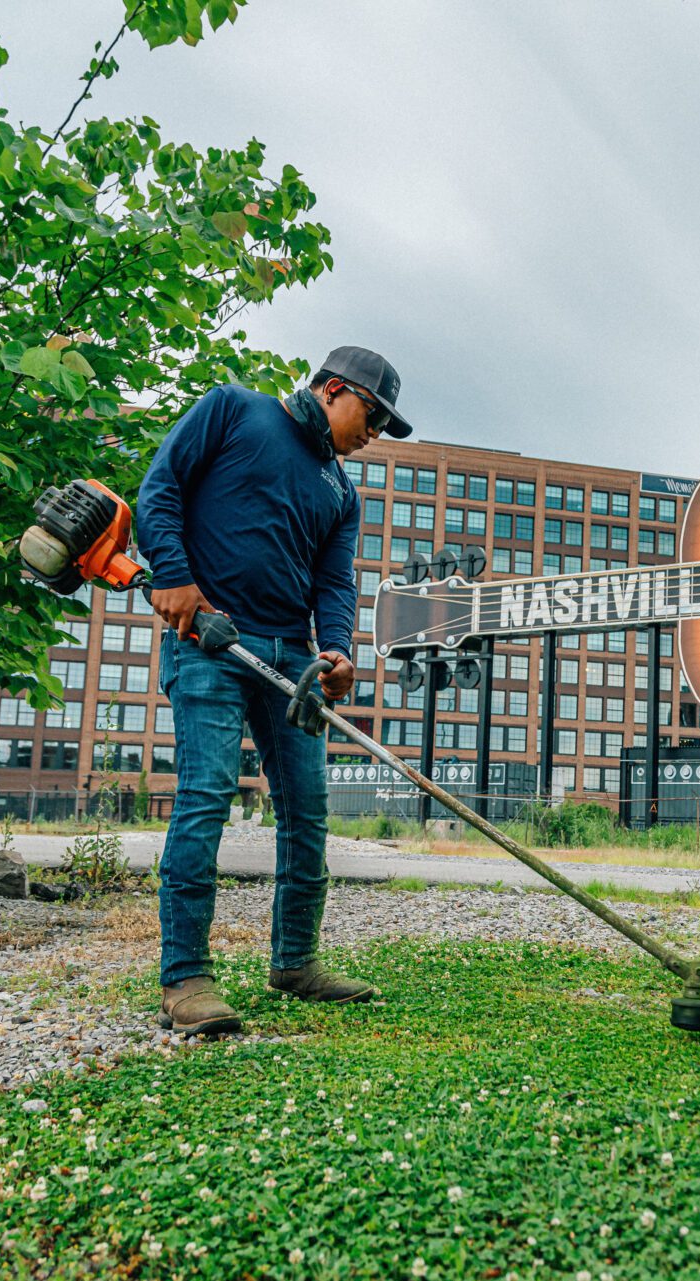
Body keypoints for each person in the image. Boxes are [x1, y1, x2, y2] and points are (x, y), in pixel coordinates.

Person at [135, 346, 414, 1036]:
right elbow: (160, 488)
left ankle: (294, 962)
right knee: (205, 798)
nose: (372, 434)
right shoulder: (234, 409)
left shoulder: (341, 492)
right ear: (332, 389)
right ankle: (186, 978)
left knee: (308, 812)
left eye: (381, 426)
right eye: (372, 416)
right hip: (210, 638)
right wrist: (171, 574)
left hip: (293, 663)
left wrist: (338, 648)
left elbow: (335, 581)